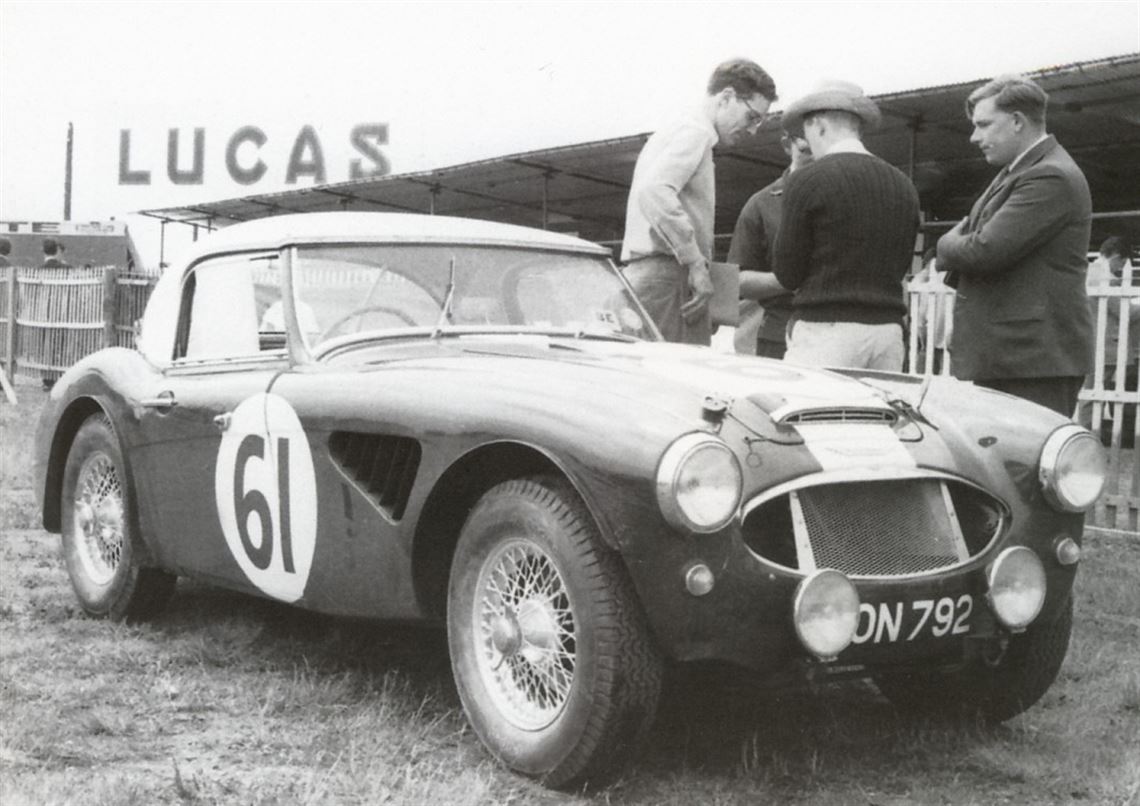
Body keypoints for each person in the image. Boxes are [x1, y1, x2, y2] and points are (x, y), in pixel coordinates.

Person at [937, 74, 1093, 417]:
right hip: (1016, 358)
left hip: (1032, 363)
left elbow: (985, 250)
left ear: (1018, 121)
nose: (974, 137)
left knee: (1022, 466)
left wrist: (945, 245)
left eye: (984, 125)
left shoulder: (1049, 175)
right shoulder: (1021, 171)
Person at [621, 58, 777, 345]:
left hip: (656, 274)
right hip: (667, 277)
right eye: (752, 117)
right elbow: (654, 190)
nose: (753, 130)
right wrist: (694, 264)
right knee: (679, 379)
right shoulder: (696, 132)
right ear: (727, 97)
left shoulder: (679, 127)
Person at [773, 80, 920, 370]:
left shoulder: (807, 180)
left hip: (827, 331)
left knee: (811, 412)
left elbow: (787, 274)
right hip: (888, 333)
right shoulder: (904, 185)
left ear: (819, 125)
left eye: (806, 133)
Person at [727, 133, 812, 357]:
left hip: (843, 334)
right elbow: (737, 279)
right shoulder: (762, 204)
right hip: (780, 332)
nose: (817, 159)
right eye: (806, 151)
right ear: (787, 145)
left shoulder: (850, 197)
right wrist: (788, 280)